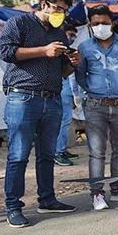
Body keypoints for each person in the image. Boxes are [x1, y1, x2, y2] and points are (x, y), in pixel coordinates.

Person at [0, 0, 78, 227]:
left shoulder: (60, 33)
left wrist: (72, 64)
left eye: (64, 10)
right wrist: (44, 50)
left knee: (47, 154)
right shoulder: (19, 23)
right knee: (18, 154)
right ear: (44, 4)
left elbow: (62, 72)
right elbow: (5, 51)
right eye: (57, 8)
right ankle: (13, 206)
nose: (60, 13)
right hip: (22, 98)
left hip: (52, 99)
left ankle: (47, 199)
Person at [76, 5, 118, 210]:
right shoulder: (85, 48)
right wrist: (94, 92)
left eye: (104, 23)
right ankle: (97, 194)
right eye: (96, 23)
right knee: (96, 152)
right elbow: (80, 75)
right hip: (95, 106)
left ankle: (117, 191)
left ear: (112, 23)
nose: (100, 26)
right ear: (90, 25)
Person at [54, 23, 81, 166]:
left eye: (73, 35)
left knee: (66, 121)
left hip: (68, 90)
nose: (72, 38)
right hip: (62, 88)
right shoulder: (58, 50)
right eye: (70, 35)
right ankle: (58, 152)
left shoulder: (69, 51)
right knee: (62, 122)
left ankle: (62, 149)